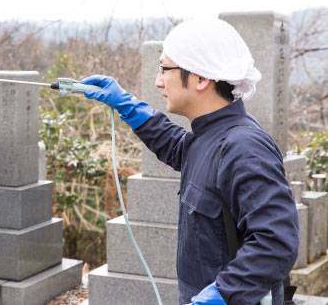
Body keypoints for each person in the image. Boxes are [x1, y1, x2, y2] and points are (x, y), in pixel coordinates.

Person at [81, 19, 299, 305]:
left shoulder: (244, 147)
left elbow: (276, 242)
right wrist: (128, 106)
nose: (158, 81)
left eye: (165, 69)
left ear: (201, 78)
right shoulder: (210, 135)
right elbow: (179, 148)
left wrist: (223, 294)